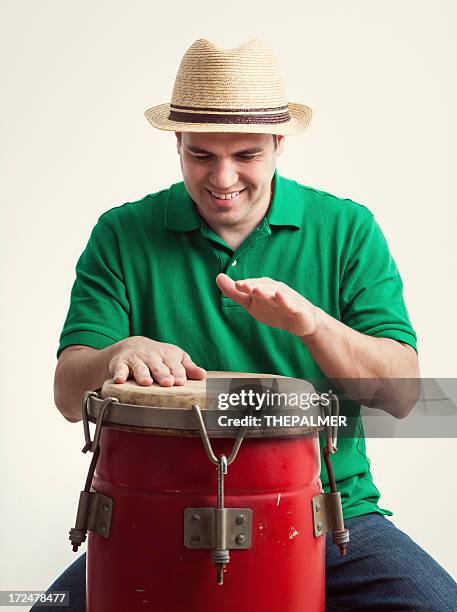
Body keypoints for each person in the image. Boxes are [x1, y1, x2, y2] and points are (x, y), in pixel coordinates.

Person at [35, 39, 457, 611]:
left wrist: (311, 323)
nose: (223, 178)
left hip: (326, 511)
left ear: (279, 144)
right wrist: (119, 351)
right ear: (177, 143)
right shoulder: (121, 233)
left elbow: (405, 397)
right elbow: (66, 395)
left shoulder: (349, 229)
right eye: (201, 155)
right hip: (156, 511)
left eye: (247, 155)